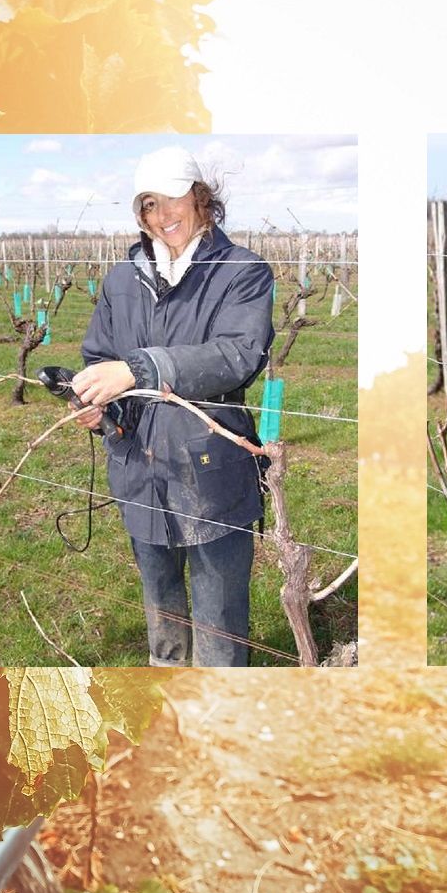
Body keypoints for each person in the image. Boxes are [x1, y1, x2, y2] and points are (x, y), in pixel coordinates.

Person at [71, 147, 276, 666]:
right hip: (138, 465)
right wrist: (103, 409)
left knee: (219, 614)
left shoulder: (242, 272)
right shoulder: (124, 278)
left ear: (201, 199)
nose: (162, 217)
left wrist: (137, 369)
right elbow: (101, 355)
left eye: (172, 200)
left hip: (210, 467)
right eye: (148, 206)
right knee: (161, 605)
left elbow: (238, 354)